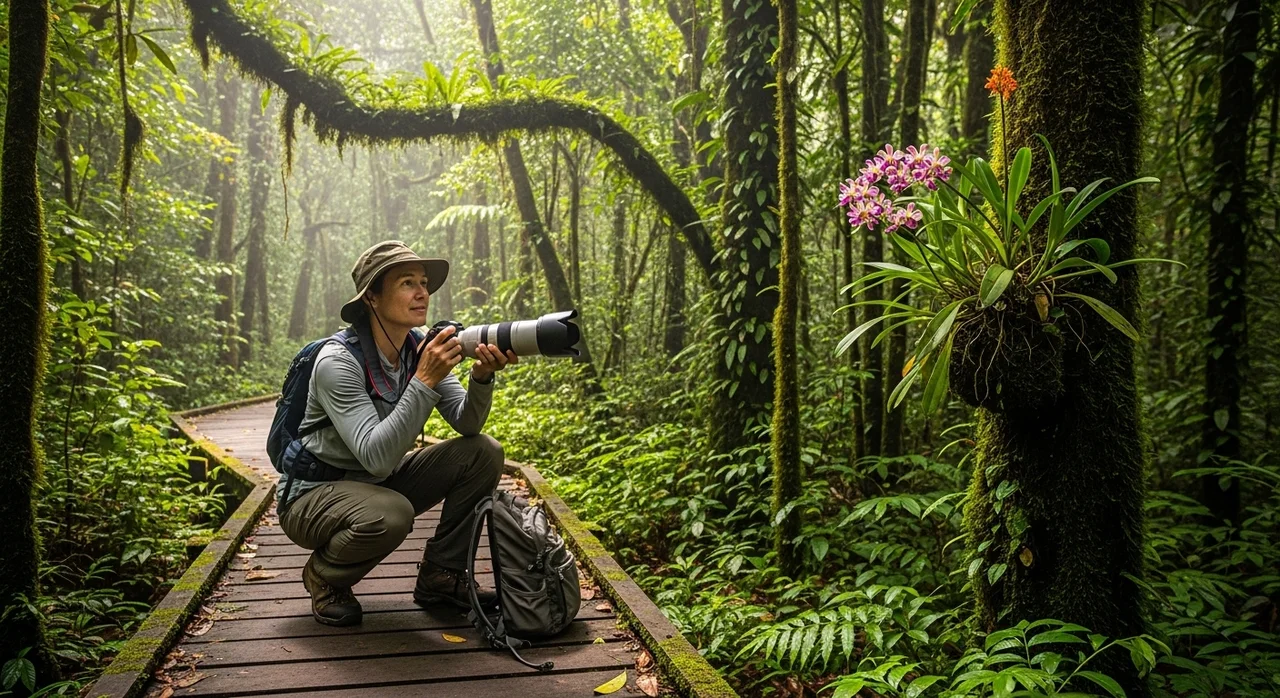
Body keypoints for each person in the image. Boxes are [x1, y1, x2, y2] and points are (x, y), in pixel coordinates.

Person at [279, 240, 517, 627]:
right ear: (371, 297)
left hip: (379, 482)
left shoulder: (414, 346)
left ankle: (442, 575)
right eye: (407, 282)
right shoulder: (337, 363)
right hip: (313, 495)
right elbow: (378, 456)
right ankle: (325, 576)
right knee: (392, 514)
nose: (423, 292)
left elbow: (467, 423)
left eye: (424, 282)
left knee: (483, 452)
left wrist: (481, 376)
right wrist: (424, 379)